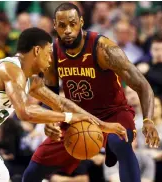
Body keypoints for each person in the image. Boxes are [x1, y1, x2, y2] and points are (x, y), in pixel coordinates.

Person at [0, 27, 126, 182]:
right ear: (36, 50)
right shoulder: (10, 69)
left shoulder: (30, 81)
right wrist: (69, 118)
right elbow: (24, 112)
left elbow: (61, 103)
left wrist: (102, 124)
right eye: (48, 53)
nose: (51, 59)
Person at [22, 3, 160, 182]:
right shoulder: (53, 52)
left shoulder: (104, 48)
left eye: (72, 24)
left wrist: (148, 121)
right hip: (78, 117)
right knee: (32, 171)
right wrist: (50, 120)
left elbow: (142, 85)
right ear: (55, 26)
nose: (68, 30)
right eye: (62, 26)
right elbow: (50, 93)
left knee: (121, 143)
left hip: (113, 113)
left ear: (81, 22)